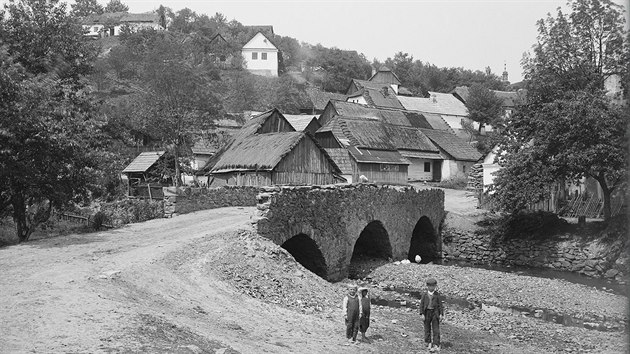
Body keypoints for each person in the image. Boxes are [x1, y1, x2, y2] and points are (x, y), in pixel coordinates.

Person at [419, 277, 443, 351]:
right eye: (430, 286)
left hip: (435, 313)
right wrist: (422, 314)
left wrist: (441, 314)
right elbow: (421, 305)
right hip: (427, 313)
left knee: (436, 329)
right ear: (427, 286)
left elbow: (440, 305)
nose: (431, 288)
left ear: (435, 286)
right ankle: (428, 341)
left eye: (433, 286)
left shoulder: (437, 295)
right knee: (427, 328)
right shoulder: (424, 295)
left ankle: (436, 343)